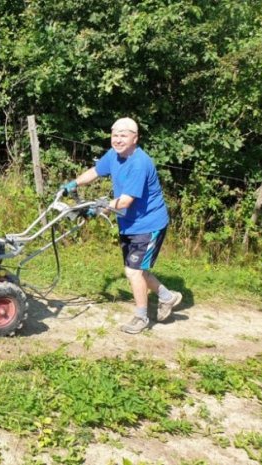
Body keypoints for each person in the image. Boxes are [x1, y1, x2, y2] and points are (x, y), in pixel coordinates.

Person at [60, 117, 182, 334]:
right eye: (115, 135)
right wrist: (73, 183)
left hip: (148, 224)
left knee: (133, 271)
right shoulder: (114, 155)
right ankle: (167, 297)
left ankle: (141, 317)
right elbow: (95, 172)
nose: (118, 139)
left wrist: (98, 209)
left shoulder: (139, 163)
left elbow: (125, 201)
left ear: (135, 138)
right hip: (128, 223)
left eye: (123, 135)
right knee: (137, 270)